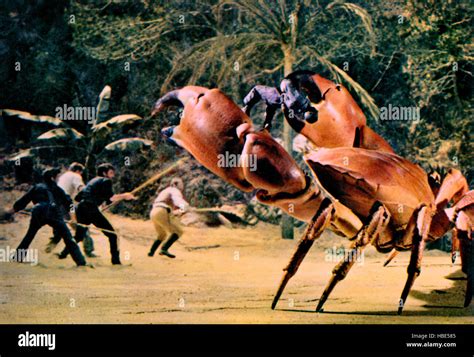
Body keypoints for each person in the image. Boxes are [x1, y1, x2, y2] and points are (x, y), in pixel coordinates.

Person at [57, 163, 135, 265]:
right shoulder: (106, 181)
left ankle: (62, 255)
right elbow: (111, 198)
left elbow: (78, 197)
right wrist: (125, 195)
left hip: (81, 208)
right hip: (90, 209)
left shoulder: (92, 181)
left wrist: (97, 202)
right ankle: (116, 262)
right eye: (111, 173)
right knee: (112, 235)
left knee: (79, 236)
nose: (113, 175)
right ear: (104, 173)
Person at [11, 168, 86, 266]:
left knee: (29, 235)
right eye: (58, 177)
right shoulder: (57, 189)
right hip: (53, 212)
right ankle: (81, 262)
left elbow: (23, 201)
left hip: (37, 211)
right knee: (68, 237)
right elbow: (70, 204)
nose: (59, 179)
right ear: (52, 178)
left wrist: (15, 210)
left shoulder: (37, 187)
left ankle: (17, 257)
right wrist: (73, 219)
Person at [45, 162, 95, 257]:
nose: (81, 174)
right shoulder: (76, 176)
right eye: (81, 172)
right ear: (78, 171)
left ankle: (49, 247)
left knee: (60, 227)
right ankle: (89, 250)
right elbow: (82, 189)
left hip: (54, 203)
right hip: (66, 204)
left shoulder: (63, 176)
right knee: (82, 227)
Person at [148, 177, 191, 259]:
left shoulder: (165, 191)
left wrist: (180, 211)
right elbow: (178, 201)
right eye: (181, 184)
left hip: (154, 212)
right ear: (175, 184)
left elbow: (173, 210)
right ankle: (164, 249)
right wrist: (185, 207)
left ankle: (151, 252)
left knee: (162, 234)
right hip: (162, 210)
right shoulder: (174, 190)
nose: (182, 186)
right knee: (178, 231)